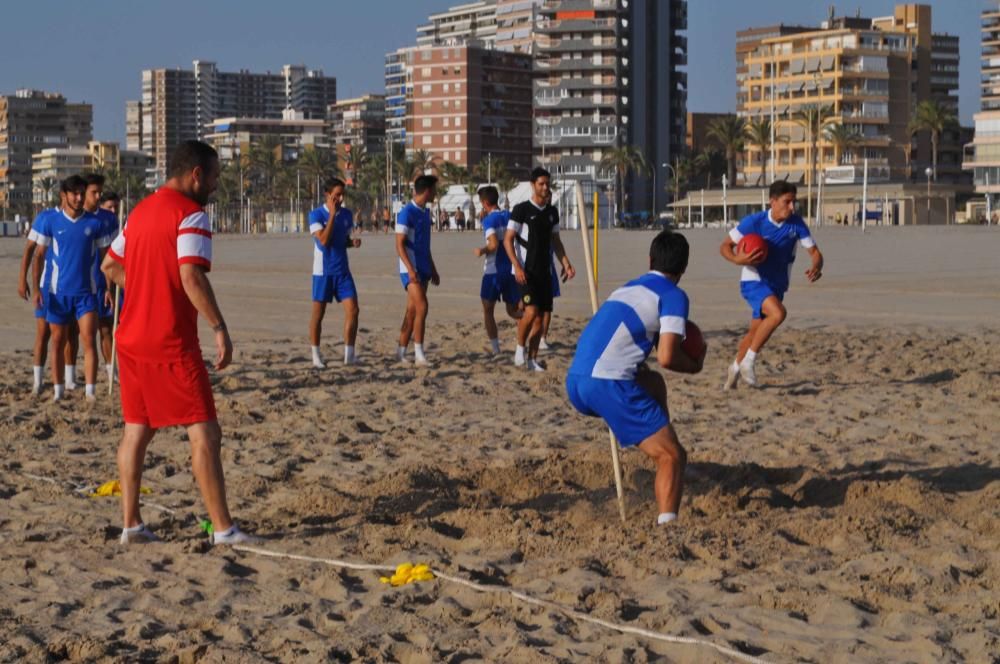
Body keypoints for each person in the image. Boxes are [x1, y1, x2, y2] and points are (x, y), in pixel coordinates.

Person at [101, 140, 257, 546]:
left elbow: (110, 264)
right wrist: (219, 326)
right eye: (216, 177)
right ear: (196, 175)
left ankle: (131, 524)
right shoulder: (191, 215)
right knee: (204, 432)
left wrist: (148, 287)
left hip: (130, 339)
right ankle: (223, 529)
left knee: (137, 430)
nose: (217, 186)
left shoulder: (140, 212)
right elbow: (191, 276)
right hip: (169, 341)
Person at [566, 231, 703, 526]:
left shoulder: (628, 288)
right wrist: (694, 364)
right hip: (608, 384)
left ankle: (659, 434)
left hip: (577, 380)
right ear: (684, 268)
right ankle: (668, 527)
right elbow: (667, 356)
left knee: (653, 384)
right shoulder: (673, 295)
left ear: (650, 260)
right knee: (672, 456)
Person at [720, 180, 824, 389]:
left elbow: (815, 253)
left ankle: (734, 368)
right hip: (753, 280)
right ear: (773, 201)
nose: (792, 207)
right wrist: (737, 260)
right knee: (778, 314)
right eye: (787, 202)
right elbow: (725, 246)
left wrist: (817, 266)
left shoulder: (796, 224)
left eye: (794, 202)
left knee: (755, 333)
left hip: (777, 285)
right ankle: (749, 362)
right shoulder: (755, 222)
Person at [30, 175, 112, 401]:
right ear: (64, 196)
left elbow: (107, 261)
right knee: (57, 340)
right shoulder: (52, 222)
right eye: (74, 193)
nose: (78, 198)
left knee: (88, 339)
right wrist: (36, 289)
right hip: (58, 293)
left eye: (81, 193)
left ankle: (90, 392)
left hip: (86, 294)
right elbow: (38, 256)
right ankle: (57, 391)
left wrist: (107, 289)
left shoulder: (95, 224)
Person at [503, 167, 575, 372]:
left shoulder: (552, 212)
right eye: (541, 184)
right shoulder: (521, 210)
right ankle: (519, 350)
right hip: (525, 272)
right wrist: (516, 266)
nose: (545, 187)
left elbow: (556, 241)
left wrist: (566, 263)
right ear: (533, 185)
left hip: (545, 272)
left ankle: (532, 359)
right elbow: (508, 240)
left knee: (541, 318)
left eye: (547, 184)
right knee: (531, 311)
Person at [308, 177, 361, 368]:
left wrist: (351, 243)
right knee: (318, 314)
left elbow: (341, 240)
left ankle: (349, 355)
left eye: (342, 195)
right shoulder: (315, 215)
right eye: (336, 195)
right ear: (327, 195)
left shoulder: (347, 214)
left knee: (353, 310)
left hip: (343, 271)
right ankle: (316, 355)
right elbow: (323, 240)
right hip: (323, 272)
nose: (340, 198)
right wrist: (331, 215)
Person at [395, 175, 440, 365]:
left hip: (423, 267)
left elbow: (425, 245)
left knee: (412, 311)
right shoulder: (406, 213)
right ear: (427, 190)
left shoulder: (425, 212)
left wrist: (433, 268)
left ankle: (401, 351)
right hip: (410, 268)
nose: (436, 193)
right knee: (423, 307)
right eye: (435, 189)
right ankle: (419, 354)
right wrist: (410, 269)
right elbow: (399, 245)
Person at [18, 201, 61, 395]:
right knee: (43, 334)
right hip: (46, 285)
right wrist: (22, 280)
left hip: (73, 287)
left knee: (69, 336)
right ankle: (38, 381)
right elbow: (30, 250)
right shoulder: (46, 217)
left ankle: (66, 381)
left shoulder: (83, 218)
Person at [473, 186, 521, 355]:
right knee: (514, 310)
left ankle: (496, 349)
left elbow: (493, 244)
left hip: (494, 270)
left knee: (488, 309)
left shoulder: (489, 220)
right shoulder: (508, 216)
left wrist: (482, 250)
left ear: (485, 203)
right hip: (511, 269)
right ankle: (522, 345)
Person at [83, 174, 119, 384]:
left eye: (99, 193)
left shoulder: (109, 218)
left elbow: (116, 253)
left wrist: (112, 285)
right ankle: (71, 378)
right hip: (81, 283)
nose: (97, 196)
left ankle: (111, 372)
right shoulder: (76, 216)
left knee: (106, 329)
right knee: (78, 333)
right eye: (93, 192)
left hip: (104, 281)